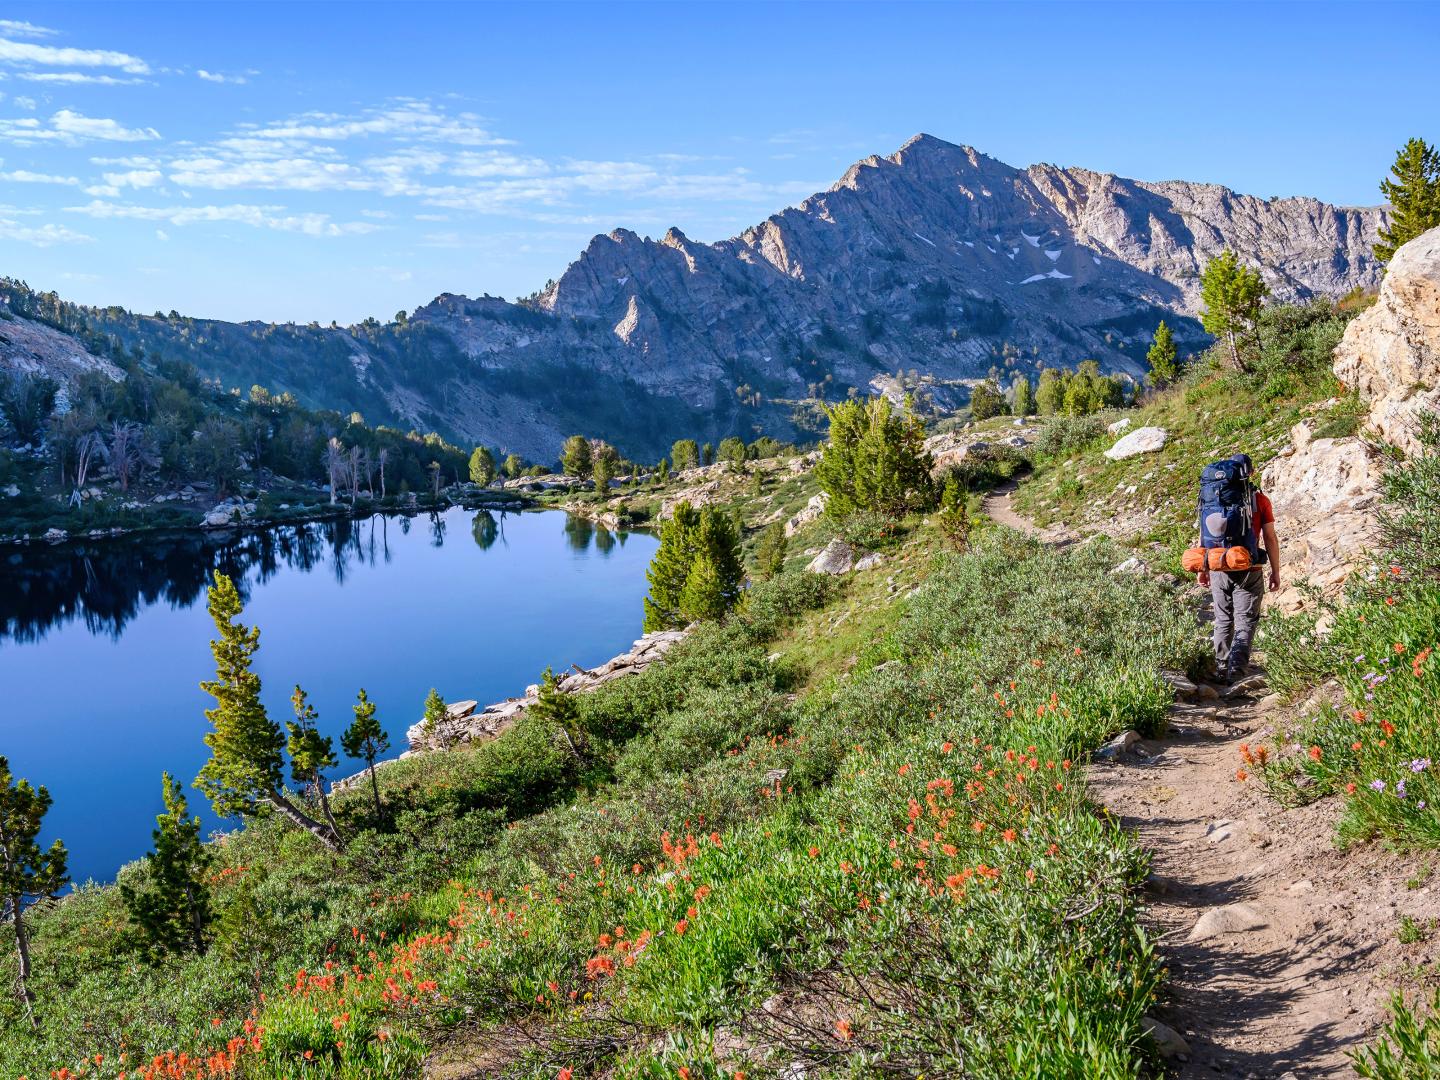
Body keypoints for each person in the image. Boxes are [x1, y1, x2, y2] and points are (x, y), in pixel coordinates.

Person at [1196, 454, 1281, 684]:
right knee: (1246, 620)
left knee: (1223, 619)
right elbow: (1270, 538)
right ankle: (1237, 671)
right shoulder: (1260, 501)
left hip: (1217, 565)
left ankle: (1222, 668)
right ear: (1250, 473)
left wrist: (1203, 567)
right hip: (1249, 567)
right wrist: (1275, 571)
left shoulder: (1212, 498)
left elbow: (1204, 535)